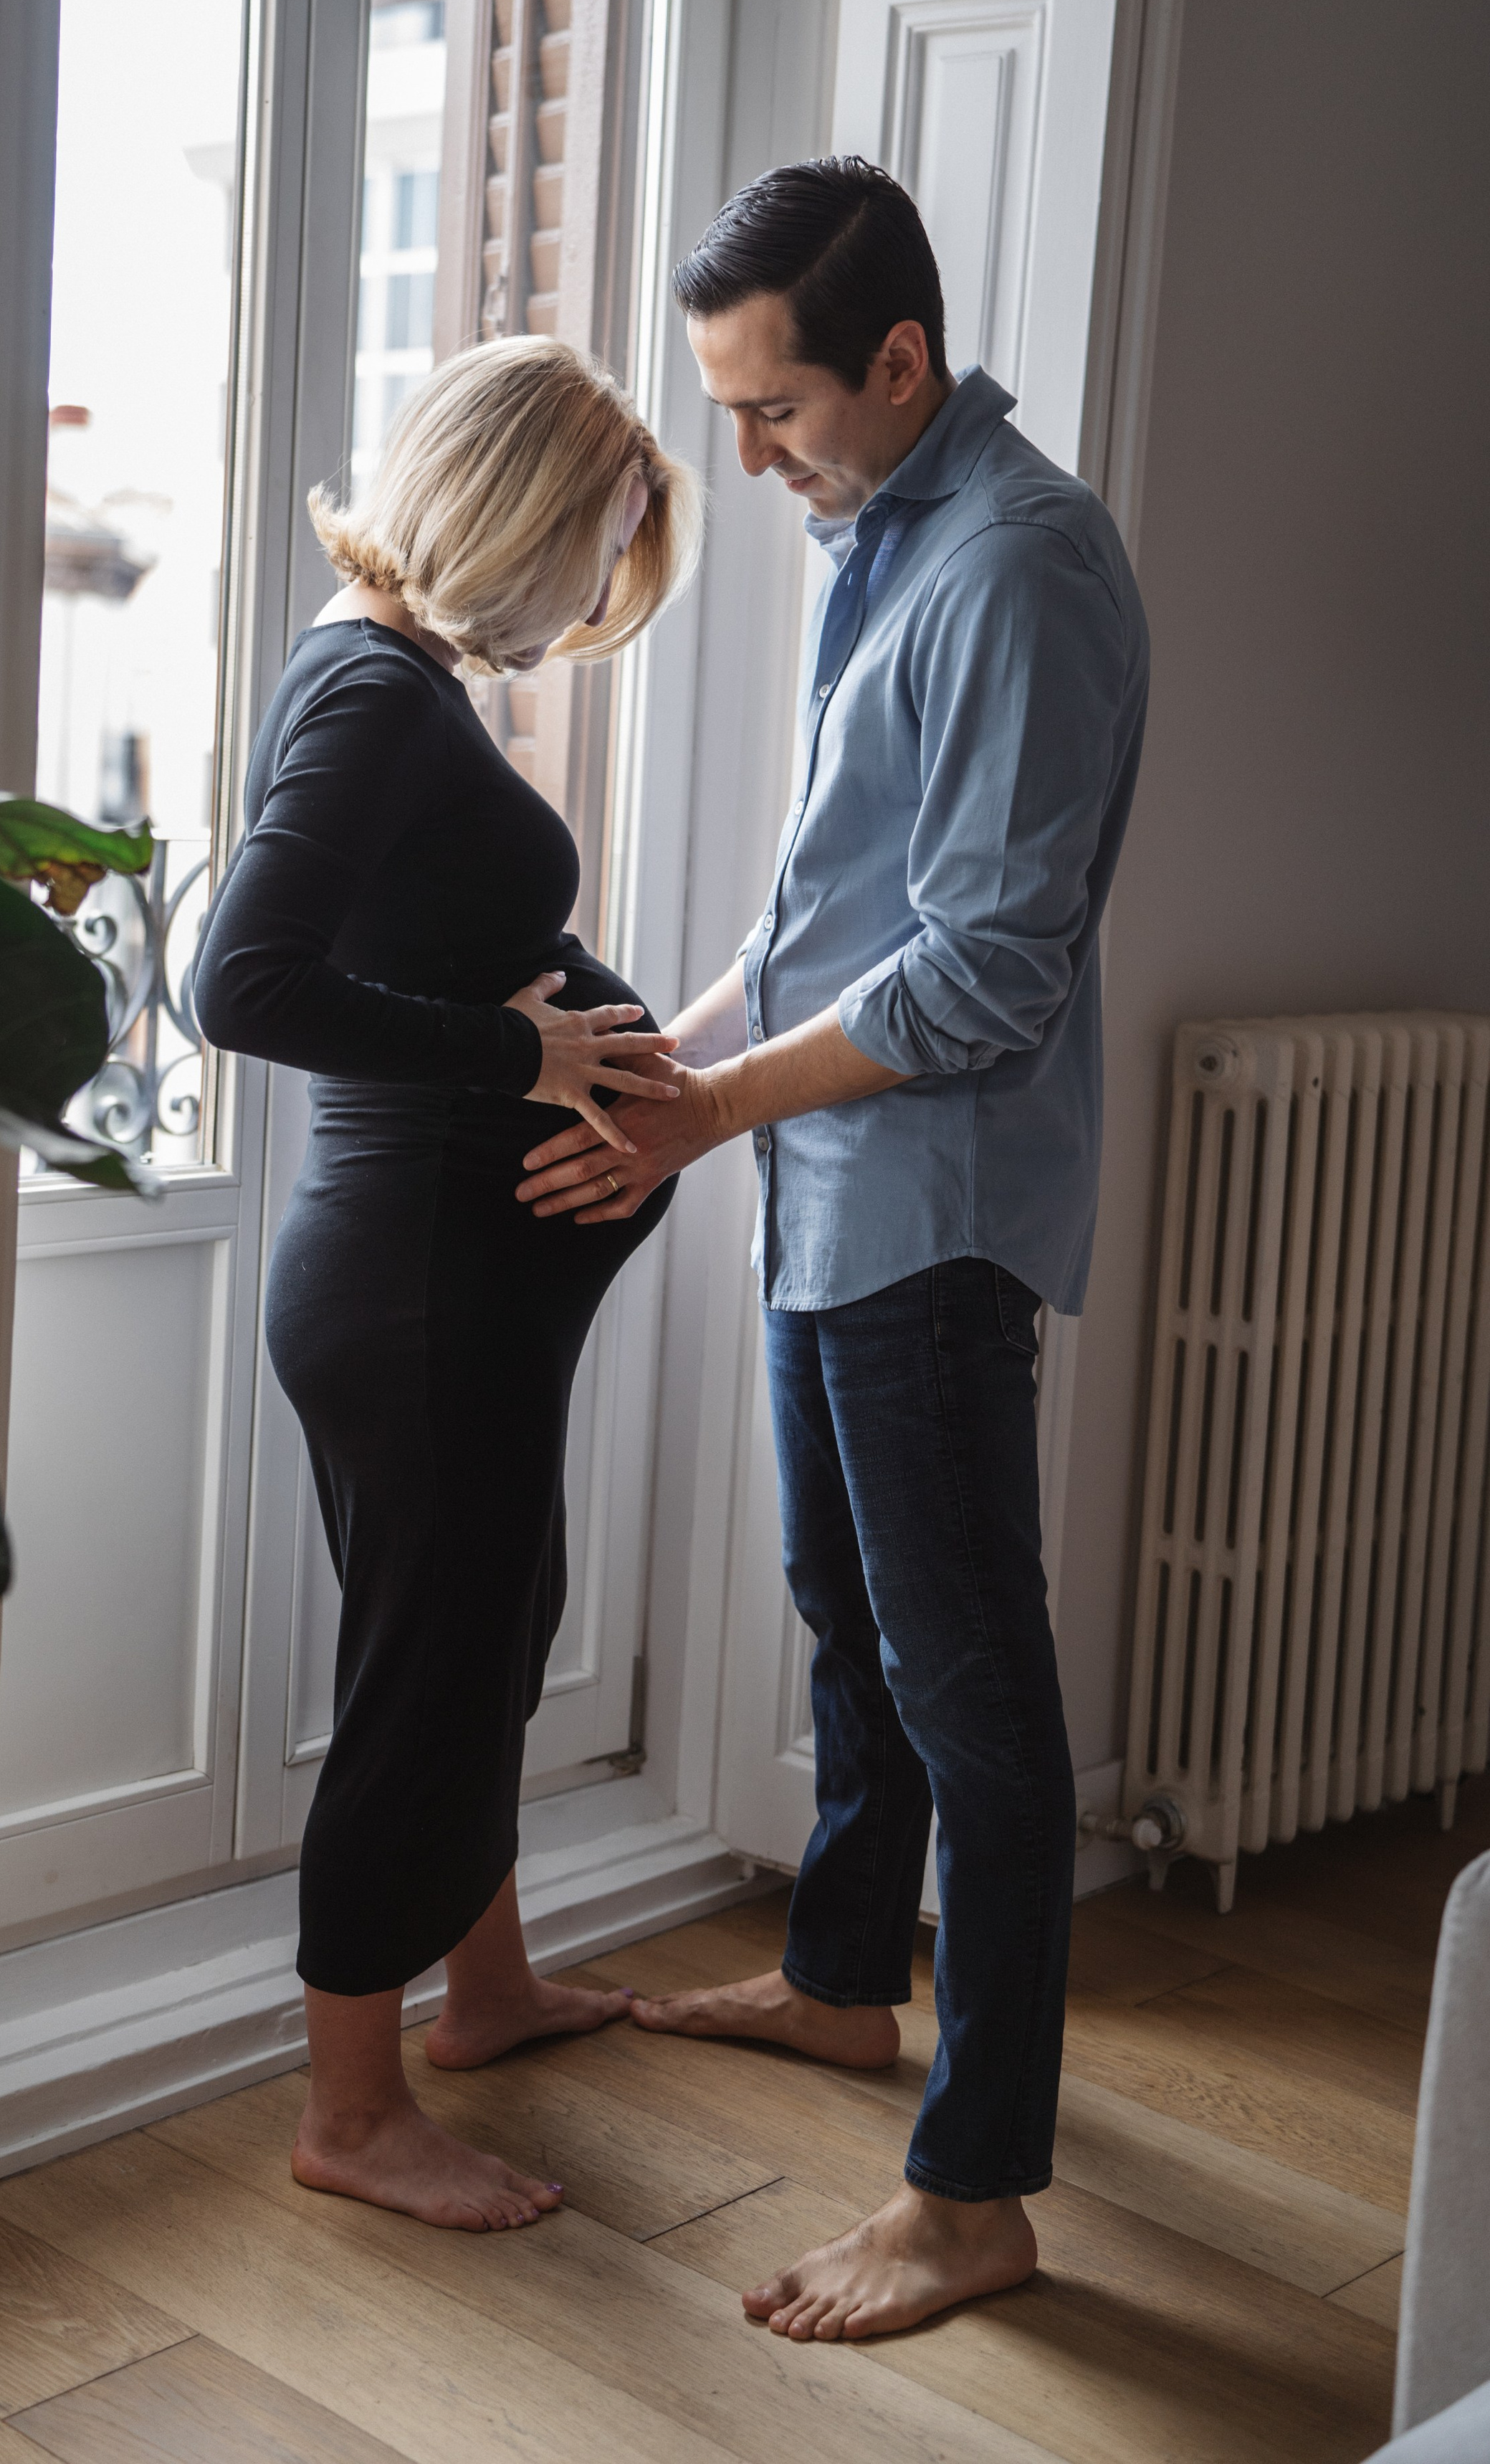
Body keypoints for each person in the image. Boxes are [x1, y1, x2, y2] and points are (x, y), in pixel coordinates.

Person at [516, 157, 1149, 2336]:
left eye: (773, 410)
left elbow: (983, 980)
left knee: (977, 1693)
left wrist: (712, 1112)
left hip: (933, 1222)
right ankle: (837, 1985)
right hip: (825, 1191)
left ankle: (976, 2194)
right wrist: (662, 1064)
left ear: (897, 361)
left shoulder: (1021, 567)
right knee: (847, 1620)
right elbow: (829, 918)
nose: (750, 457)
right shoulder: (874, 531)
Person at [194, 336, 700, 2234]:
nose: (586, 608)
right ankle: (353, 2106)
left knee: (496, 1615)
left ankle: (484, 1995)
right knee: (428, 1673)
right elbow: (239, 983)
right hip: (416, 1285)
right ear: (523, 509)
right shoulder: (377, 694)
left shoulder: (402, 683)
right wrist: (540, 1062)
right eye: (598, 555)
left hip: (450, 1281)